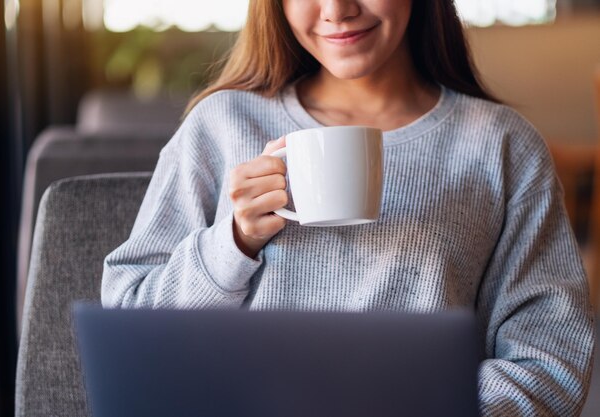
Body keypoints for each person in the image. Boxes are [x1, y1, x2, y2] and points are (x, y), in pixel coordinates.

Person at [101, 0, 595, 415]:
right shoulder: (221, 125)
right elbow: (126, 317)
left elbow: (551, 354)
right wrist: (231, 243)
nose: (338, 11)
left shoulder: (502, 146)